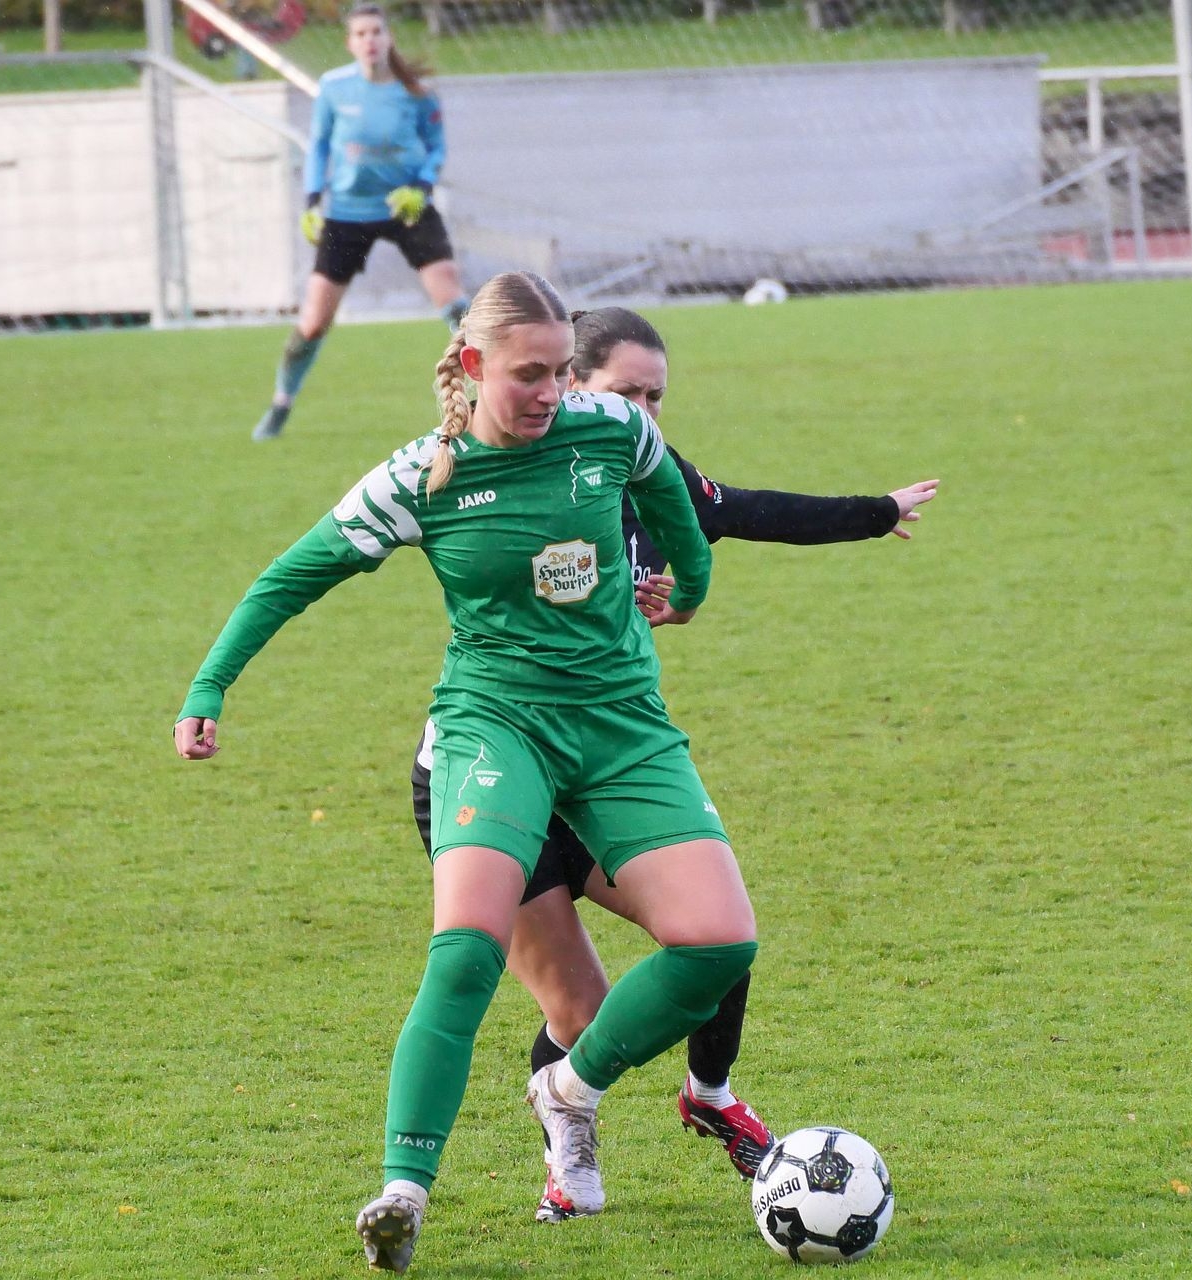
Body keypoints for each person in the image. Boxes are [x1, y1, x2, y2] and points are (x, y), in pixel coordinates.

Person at [177, 272, 761, 1274]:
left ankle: (569, 1087)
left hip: (621, 726)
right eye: (529, 374)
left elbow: (673, 502)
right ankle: (403, 1191)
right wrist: (209, 686)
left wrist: (692, 589)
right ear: (474, 365)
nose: (551, 393)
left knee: (720, 942)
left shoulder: (611, 431)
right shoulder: (421, 476)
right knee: (465, 951)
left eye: (561, 372)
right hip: (496, 729)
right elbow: (290, 577)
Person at [407, 305, 939, 1221]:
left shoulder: (648, 468)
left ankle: (710, 1092)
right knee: (577, 1011)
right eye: (628, 391)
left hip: (606, 765)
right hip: (503, 773)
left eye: (657, 395)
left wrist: (873, 513)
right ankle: (565, 1150)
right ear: (571, 382)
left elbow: (746, 510)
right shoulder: (516, 471)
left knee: (714, 931)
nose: (646, 411)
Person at [253, 3, 469, 442]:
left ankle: (485, 390)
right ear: (350, 43)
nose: (370, 40)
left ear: (389, 38)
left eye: (376, 32)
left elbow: (436, 148)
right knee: (314, 322)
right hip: (348, 212)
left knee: (455, 304)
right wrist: (312, 200)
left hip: (405, 207)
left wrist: (421, 188)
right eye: (361, 34)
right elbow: (318, 147)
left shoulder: (417, 92)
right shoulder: (334, 89)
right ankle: (281, 403)